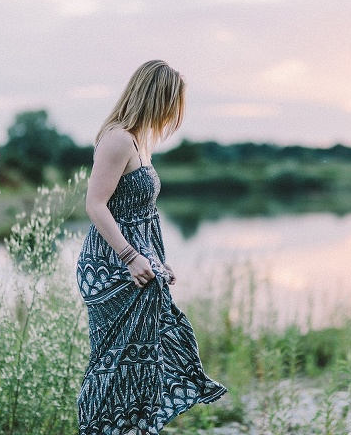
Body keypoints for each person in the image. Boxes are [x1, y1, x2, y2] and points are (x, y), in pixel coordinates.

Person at [76, 60, 227, 434]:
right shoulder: (117, 140)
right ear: (155, 97)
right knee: (114, 364)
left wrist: (158, 260)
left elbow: (144, 213)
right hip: (110, 266)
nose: (174, 114)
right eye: (172, 102)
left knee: (146, 359)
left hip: (136, 264)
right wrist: (130, 257)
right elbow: (95, 205)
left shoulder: (141, 142)